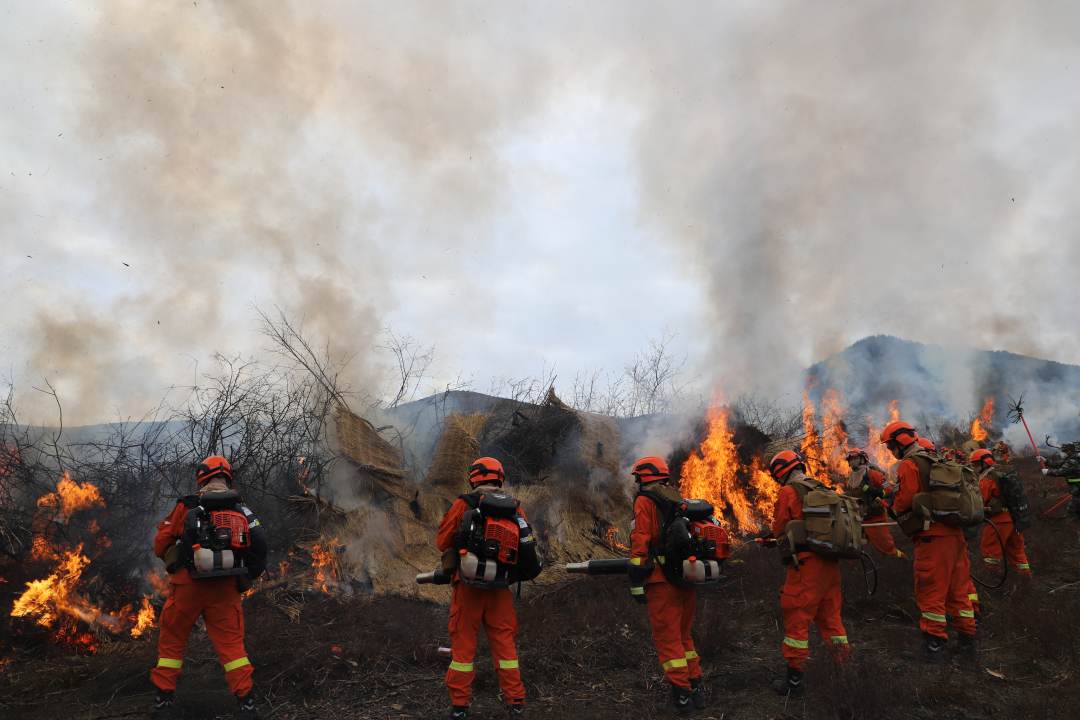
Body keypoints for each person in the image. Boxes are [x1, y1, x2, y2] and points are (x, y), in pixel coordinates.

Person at [151, 455, 267, 718]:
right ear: (228, 477)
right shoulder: (241, 509)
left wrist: (175, 554)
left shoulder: (187, 506)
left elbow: (160, 544)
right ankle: (246, 705)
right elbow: (259, 544)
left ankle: (163, 704)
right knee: (233, 648)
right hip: (225, 588)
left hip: (187, 587)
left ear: (201, 477)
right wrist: (247, 576)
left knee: (172, 643)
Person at [436, 457, 529, 719]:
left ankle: (460, 706)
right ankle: (516, 701)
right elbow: (526, 546)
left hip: (468, 588)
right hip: (500, 588)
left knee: (463, 648)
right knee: (505, 645)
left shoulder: (463, 504)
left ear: (474, 477)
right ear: (500, 477)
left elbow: (442, 540)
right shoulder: (515, 509)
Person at [880, 422, 976, 663]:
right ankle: (967, 643)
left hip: (932, 538)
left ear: (900, 442)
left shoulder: (910, 464)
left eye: (891, 445)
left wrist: (892, 501)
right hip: (955, 534)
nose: (891, 450)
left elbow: (904, 501)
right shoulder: (937, 460)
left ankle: (934, 646)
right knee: (959, 591)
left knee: (930, 590)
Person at [767, 450, 850, 696]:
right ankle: (844, 672)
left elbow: (781, 526)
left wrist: (775, 537)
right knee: (831, 618)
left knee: (797, 617)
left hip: (806, 566)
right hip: (829, 563)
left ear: (780, 472)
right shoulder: (821, 488)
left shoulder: (789, 491)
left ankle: (794, 680)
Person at [628, 456, 705, 714]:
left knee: (668, 640)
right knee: (684, 637)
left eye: (638, 478)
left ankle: (682, 696)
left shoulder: (645, 501)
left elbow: (641, 539)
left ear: (643, 479)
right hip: (685, 576)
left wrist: (636, 577)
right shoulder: (677, 499)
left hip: (661, 581)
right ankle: (696, 686)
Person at [972, 449, 1032, 576]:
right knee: (1017, 551)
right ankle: (1025, 578)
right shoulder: (1004, 472)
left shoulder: (988, 479)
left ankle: (992, 577)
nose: (974, 467)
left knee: (990, 550)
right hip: (1015, 517)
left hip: (999, 520)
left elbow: (981, 500)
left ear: (985, 463)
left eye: (976, 464)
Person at [845, 448, 904, 559]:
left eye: (855, 458)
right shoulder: (851, 478)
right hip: (858, 519)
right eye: (850, 459)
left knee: (887, 548)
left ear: (862, 459)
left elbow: (889, 490)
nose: (852, 461)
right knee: (855, 550)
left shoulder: (872, 474)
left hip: (875, 518)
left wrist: (878, 492)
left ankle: (902, 559)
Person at [1043, 442, 1080, 518]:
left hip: (1077, 486)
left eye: (1064, 451)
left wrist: (1047, 472)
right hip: (1076, 485)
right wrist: (1046, 461)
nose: (1062, 453)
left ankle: (1070, 520)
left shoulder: (1072, 461)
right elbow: (1058, 464)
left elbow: (1061, 472)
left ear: (1069, 451)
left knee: (1073, 505)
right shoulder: (1071, 458)